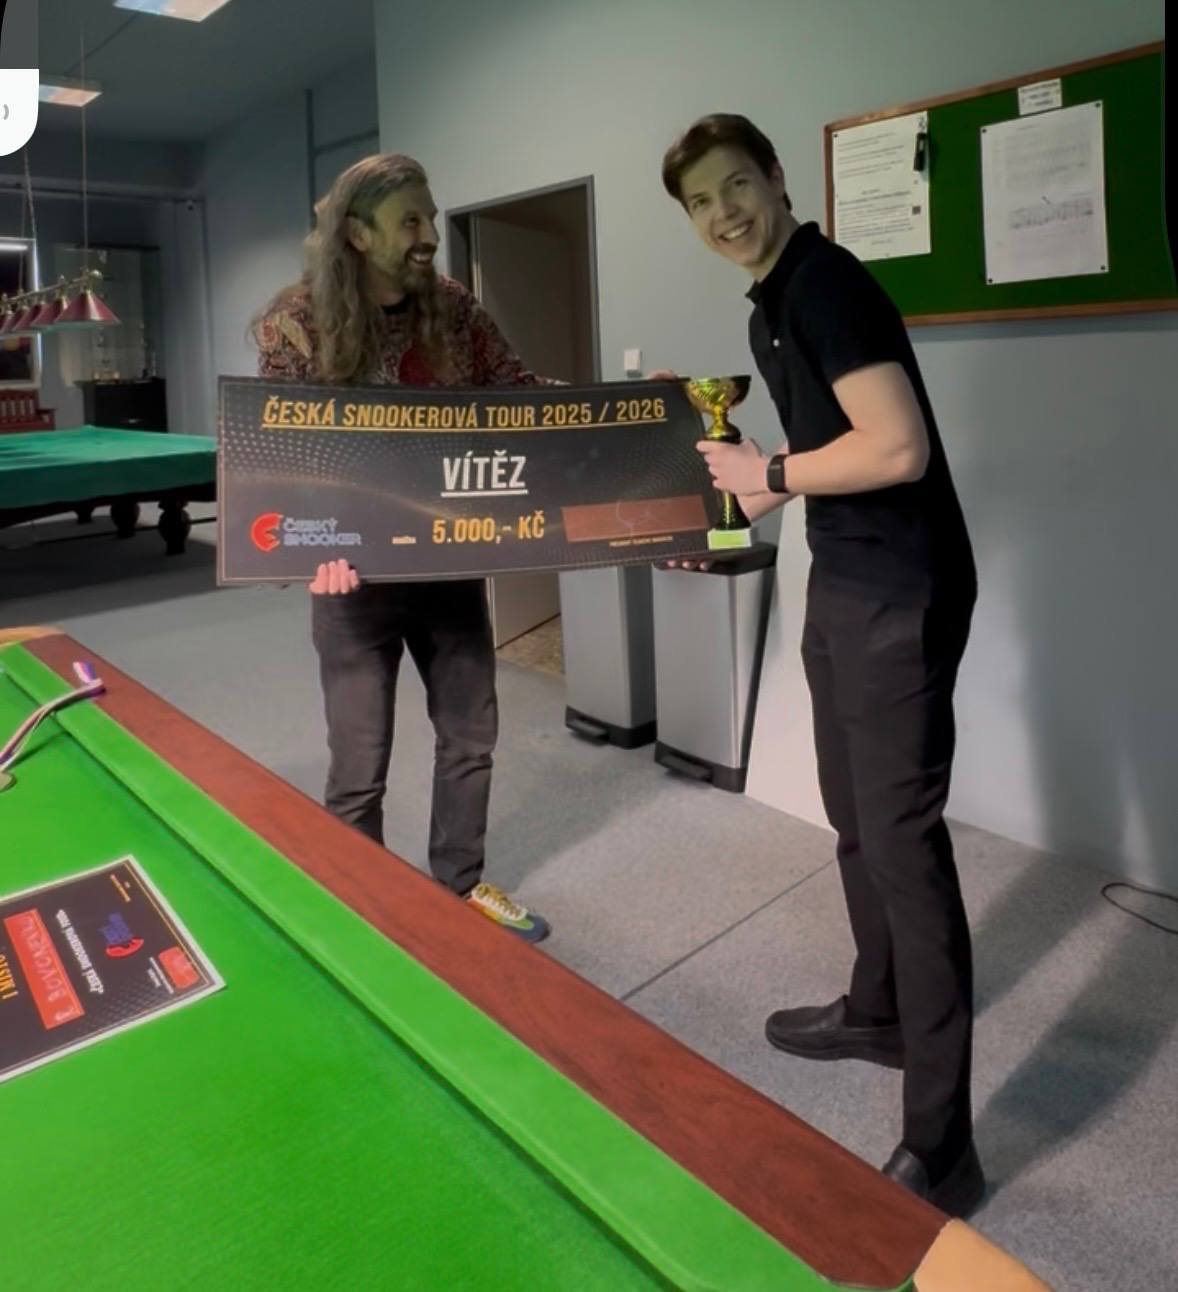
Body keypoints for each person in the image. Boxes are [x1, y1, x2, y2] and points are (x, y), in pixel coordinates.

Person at [657, 115, 981, 1213]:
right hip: (843, 577)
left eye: (736, 185)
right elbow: (811, 454)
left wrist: (771, 475)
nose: (724, 212)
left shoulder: (826, 284)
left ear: (776, 178)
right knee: (854, 820)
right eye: (701, 201)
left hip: (900, 590)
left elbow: (897, 446)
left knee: (902, 846)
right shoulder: (770, 304)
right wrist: (737, 486)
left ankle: (943, 1144)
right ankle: (878, 1011)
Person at [253, 152, 549, 943]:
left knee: (470, 737)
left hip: (449, 565)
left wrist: (639, 411)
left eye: (431, 216)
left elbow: (521, 399)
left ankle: (460, 884)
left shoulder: (455, 309)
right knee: (359, 764)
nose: (429, 235)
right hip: (353, 583)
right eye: (409, 220)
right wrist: (304, 550)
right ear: (357, 233)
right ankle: (363, 911)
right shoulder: (296, 324)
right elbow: (277, 459)